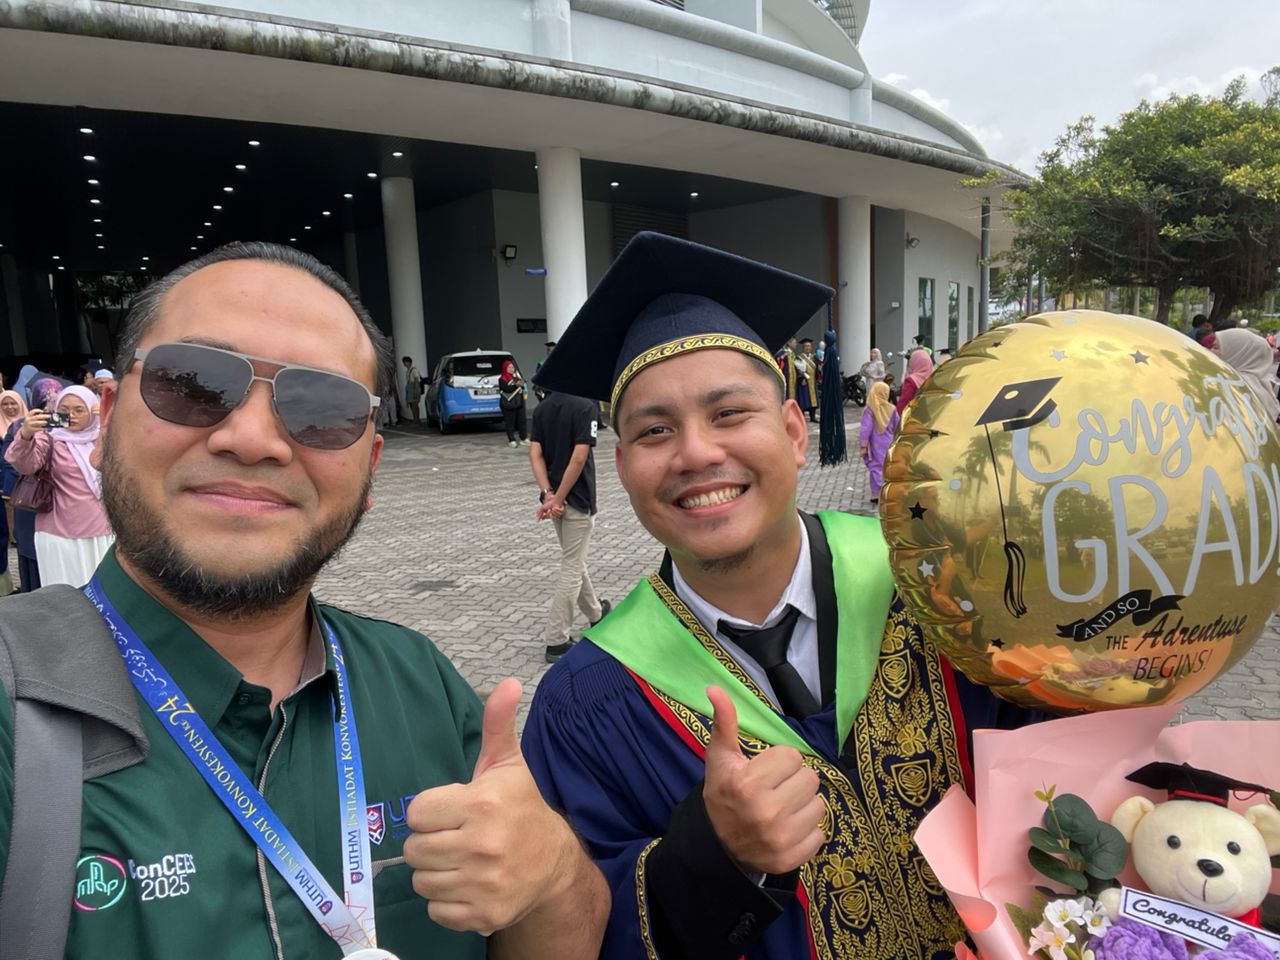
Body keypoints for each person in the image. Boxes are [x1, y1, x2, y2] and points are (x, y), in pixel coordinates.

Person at [0, 242, 608, 958]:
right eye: (193, 383)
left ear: (369, 466)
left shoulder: (419, 683)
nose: (252, 439)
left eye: (322, 408)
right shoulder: (18, 709)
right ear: (106, 421)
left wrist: (555, 872)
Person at [523, 232, 1036, 960]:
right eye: (655, 431)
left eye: (729, 413)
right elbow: (572, 928)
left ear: (795, 432)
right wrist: (710, 858)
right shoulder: (586, 703)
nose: (697, 452)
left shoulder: (938, 589)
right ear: (625, 467)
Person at [528, 387, 609, 662]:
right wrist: (559, 498)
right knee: (572, 568)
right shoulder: (585, 407)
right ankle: (556, 640)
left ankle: (596, 613)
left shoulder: (542, 409)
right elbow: (579, 457)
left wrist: (548, 494)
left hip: (557, 501)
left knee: (575, 560)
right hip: (577, 499)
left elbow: (535, 454)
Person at [4, 384, 113, 586]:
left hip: (103, 530)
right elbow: (24, 464)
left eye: (79, 410)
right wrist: (26, 435)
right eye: (64, 410)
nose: (71, 415)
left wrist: (110, 421)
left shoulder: (104, 437)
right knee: (67, 590)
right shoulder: (49, 440)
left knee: (104, 588)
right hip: (60, 532)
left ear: (91, 410)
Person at [1217, 328, 1280, 423]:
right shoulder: (1261, 385)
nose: (1210, 351)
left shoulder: (1235, 385)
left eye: (1217, 347)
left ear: (1237, 352)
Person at [859, 381, 898, 509]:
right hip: (889, 442)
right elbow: (897, 425)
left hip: (875, 443)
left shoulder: (870, 410)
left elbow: (866, 429)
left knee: (875, 467)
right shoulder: (891, 408)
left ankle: (880, 491)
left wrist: (863, 445)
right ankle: (876, 494)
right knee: (886, 466)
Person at [0, 388, 27, 549]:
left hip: (27, 477)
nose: (10, 407)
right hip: (6, 478)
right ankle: (13, 538)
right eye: (5, 404)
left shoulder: (29, 422)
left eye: (13, 403)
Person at [498, 359, 530, 447]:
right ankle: (511, 440)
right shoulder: (502, 379)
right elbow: (506, 389)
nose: (512, 369)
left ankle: (524, 438)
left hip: (519, 402)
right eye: (509, 367)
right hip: (508, 403)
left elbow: (522, 388)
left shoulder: (516, 377)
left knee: (522, 421)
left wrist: (523, 385)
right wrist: (516, 385)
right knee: (510, 422)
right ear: (505, 368)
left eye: (513, 367)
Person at [896, 347, 933, 413]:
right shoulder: (932, 379)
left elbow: (902, 404)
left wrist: (894, 417)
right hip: (929, 415)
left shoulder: (912, 381)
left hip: (913, 416)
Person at [402, 354, 423, 423]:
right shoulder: (407, 371)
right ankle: (415, 419)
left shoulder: (414, 370)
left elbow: (416, 380)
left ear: (409, 362)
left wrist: (415, 391)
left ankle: (416, 420)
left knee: (415, 405)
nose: (404, 364)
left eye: (405, 362)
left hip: (414, 388)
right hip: (410, 389)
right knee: (412, 405)